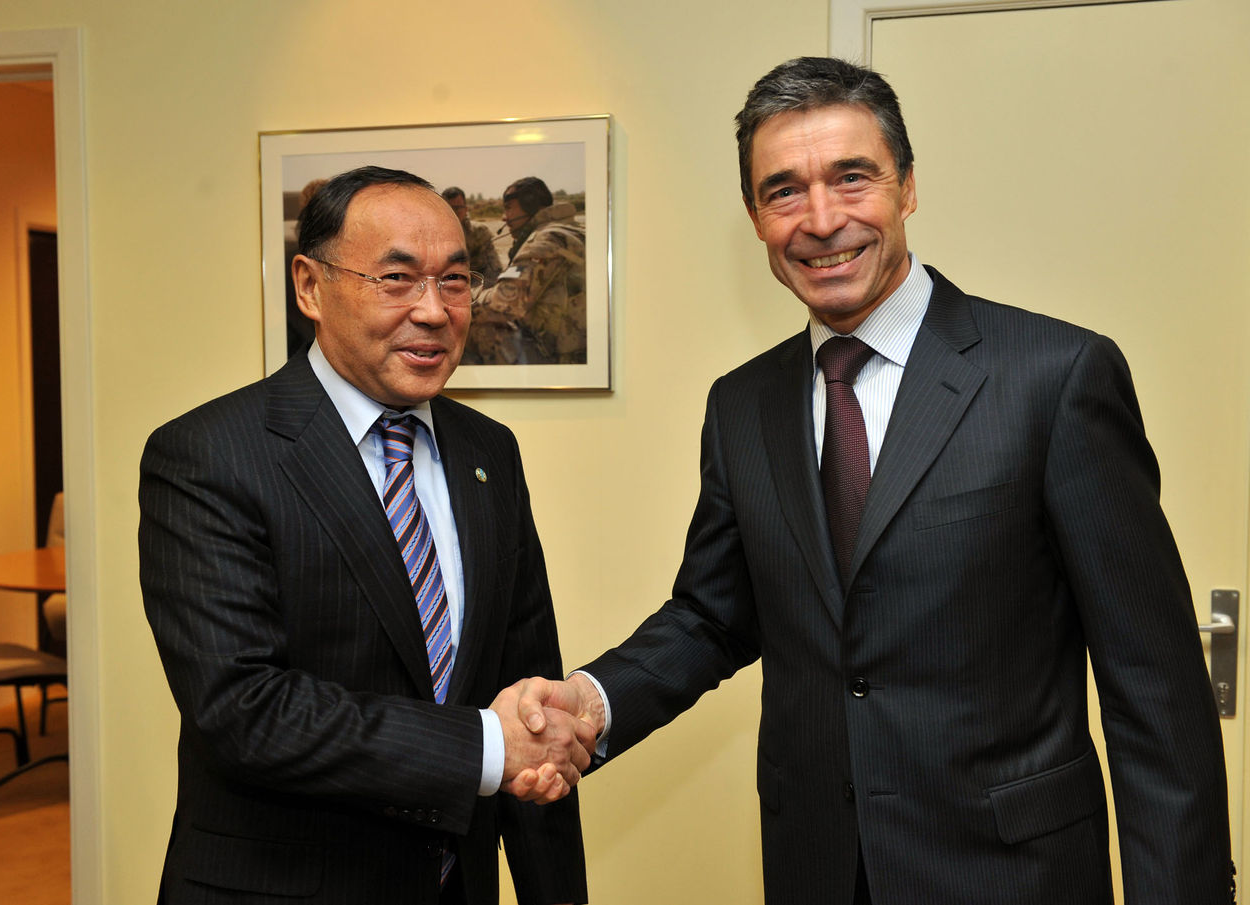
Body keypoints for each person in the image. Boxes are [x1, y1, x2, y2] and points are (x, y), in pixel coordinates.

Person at [518, 57, 1233, 904]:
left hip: (1014, 873)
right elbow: (714, 613)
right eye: (783, 191)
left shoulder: (1055, 376)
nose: (821, 219)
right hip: (817, 865)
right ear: (754, 216)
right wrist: (592, 702)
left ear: (908, 188)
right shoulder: (741, 404)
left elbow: (1154, 687)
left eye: (852, 177)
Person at [140, 165, 590, 905]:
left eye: (454, 280)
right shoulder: (209, 455)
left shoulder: (489, 453)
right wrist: (485, 745)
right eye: (396, 278)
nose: (435, 310)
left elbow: (529, 696)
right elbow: (243, 708)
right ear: (310, 286)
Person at [465, 176, 586, 366]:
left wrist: (463, 297)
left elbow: (502, 303)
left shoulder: (548, 239)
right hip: (578, 346)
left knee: (475, 329)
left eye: (509, 208)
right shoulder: (573, 230)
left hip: (563, 357)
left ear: (530, 207)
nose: (505, 217)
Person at [441, 186, 503, 287]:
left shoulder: (479, 233)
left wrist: (472, 292)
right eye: (448, 208)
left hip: (474, 285)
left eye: (457, 208)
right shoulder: (431, 235)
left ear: (465, 209)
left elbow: (493, 270)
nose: (452, 213)